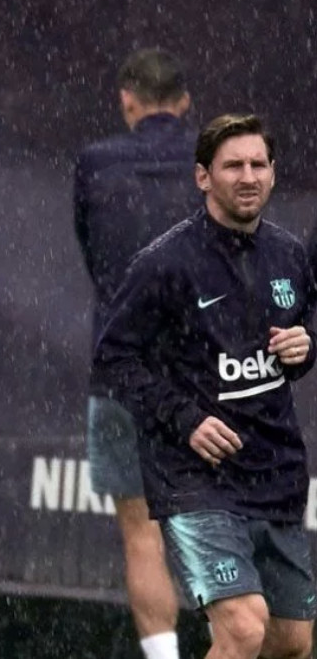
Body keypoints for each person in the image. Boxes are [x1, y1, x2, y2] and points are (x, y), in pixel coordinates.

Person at [95, 114, 315, 659]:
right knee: (242, 627)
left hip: (274, 471)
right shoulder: (164, 263)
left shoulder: (289, 255)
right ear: (202, 177)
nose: (248, 176)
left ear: (273, 174)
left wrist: (307, 345)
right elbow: (114, 357)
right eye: (233, 165)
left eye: (258, 164)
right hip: (196, 478)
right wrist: (185, 420)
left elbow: (305, 333)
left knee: (291, 642)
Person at [73, 47, 199, 659]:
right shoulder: (216, 163)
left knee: (142, 535)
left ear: (128, 102)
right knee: (224, 528)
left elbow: (95, 257)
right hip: (206, 378)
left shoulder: (96, 163)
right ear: (184, 104)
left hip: (122, 374)